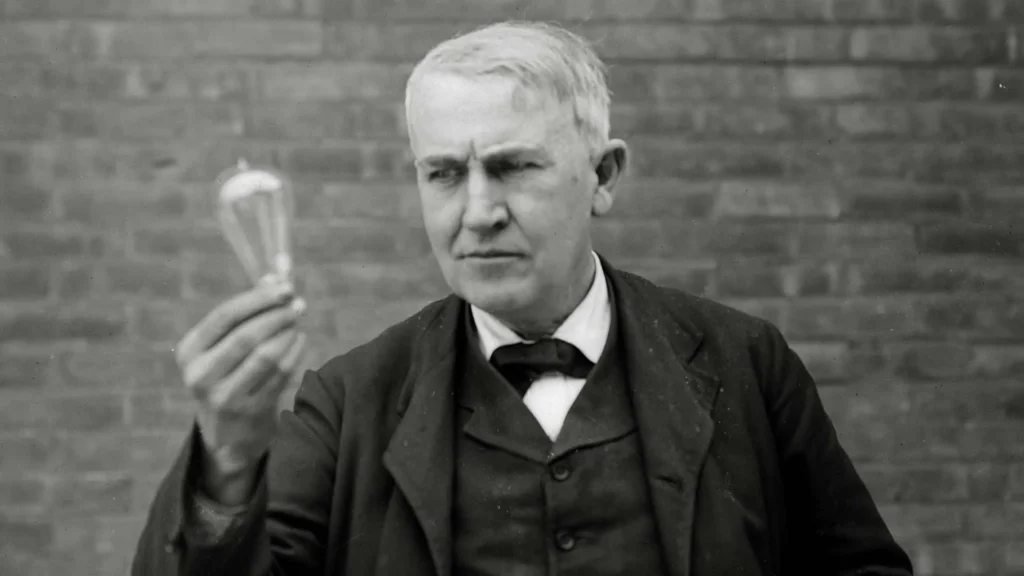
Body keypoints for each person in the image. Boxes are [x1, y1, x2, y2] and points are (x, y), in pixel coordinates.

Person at [131, 20, 914, 576]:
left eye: (512, 167)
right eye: (443, 173)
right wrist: (227, 463)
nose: (477, 211)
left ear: (603, 176)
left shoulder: (746, 365)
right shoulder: (351, 402)